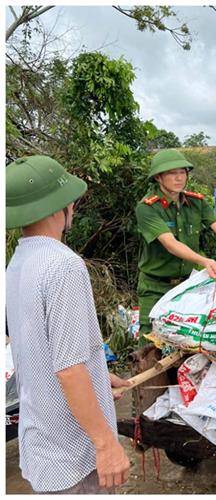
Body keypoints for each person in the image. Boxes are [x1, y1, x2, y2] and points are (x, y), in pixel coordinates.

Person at [6, 155, 132, 493]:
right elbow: (68, 370)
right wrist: (106, 445)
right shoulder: (64, 266)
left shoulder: (18, 263)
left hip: (42, 445)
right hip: (73, 454)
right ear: (55, 208)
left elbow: (41, 350)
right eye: (69, 201)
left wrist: (97, 376)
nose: (73, 207)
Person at [135, 149, 216, 340]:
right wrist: (204, 261)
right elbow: (170, 243)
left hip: (187, 284)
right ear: (158, 178)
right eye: (172, 173)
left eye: (182, 172)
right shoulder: (147, 207)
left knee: (184, 338)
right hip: (155, 286)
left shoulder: (196, 202)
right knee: (150, 340)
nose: (179, 178)